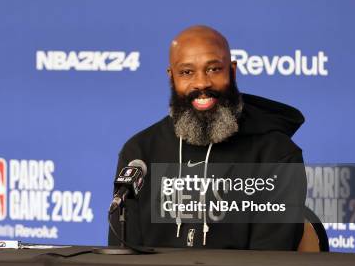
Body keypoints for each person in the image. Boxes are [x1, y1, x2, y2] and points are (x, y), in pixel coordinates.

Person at [108, 25, 306, 250]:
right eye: (186, 72)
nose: (202, 83)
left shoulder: (276, 155)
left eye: (213, 69)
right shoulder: (140, 154)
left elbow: (271, 260)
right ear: (171, 77)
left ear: (232, 71)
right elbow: (123, 259)